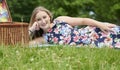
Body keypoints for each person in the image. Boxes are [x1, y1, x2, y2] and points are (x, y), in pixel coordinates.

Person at [29, 6, 120, 48]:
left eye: (44, 17)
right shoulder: (43, 38)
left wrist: (100, 24)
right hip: (88, 44)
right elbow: (21, 43)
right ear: (35, 22)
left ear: (49, 16)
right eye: (39, 19)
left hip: (90, 32)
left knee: (114, 30)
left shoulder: (60, 20)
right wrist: (32, 29)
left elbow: (83, 21)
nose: (43, 21)